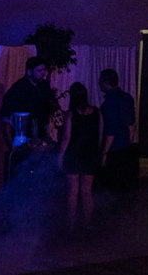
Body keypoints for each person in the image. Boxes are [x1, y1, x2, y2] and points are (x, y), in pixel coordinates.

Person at [0, 56, 57, 177]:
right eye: (39, 71)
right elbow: (5, 117)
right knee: (23, 174)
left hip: (41, 140)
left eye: (44, 70)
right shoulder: (18, 89)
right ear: (29, 72)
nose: (43, 74)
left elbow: (48, 110)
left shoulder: (44, 87)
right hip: (24, 141)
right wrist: (11, 144)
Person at [56, 82, 101, 228]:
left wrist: (60, 156)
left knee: (72, 192)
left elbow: (66, 138)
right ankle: (88, 223)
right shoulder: (97, 112)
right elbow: (100, 135)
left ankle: (70, 224)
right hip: (90, 154)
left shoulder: (71, 114)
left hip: (74, 154)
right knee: (87, 192)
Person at [98, 68, 137, 192]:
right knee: (123, 187)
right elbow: (131, 124)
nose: (98, 83)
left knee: (111, 188)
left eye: (100, 81)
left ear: (106, 82)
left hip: (113, 149)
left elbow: (111, 129)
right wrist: (128, 143)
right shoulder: (127, 98)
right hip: (125, 147)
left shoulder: (110, 101)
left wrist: (104, 153)